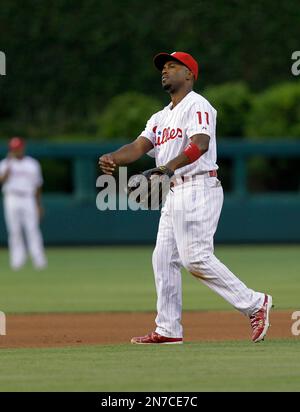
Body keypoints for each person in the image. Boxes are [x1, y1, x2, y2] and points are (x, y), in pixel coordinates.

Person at [99, 51, 273, 344]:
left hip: (198, 186)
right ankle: (168, 329)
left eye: (172, 66)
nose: (164, 71)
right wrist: (113, 157)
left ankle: (256, 303)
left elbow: (201, 144)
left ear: (189, 74)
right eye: (163, 68)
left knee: (195, 258)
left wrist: (168, 167)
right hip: (175, 191)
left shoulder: (198, 105)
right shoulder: (159, 117)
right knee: (163, 258)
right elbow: (139, 146)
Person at [0, 137, 47, 270]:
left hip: (28, 197)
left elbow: (38, 186)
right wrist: (8, 168)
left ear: (23, 148)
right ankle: (17, 261)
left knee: (32, 229)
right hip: (11, 197)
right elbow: (1, 180)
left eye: (18, 148)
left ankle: (39, 261)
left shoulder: (32, 164)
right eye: (14, 149)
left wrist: (38, 204)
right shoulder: (5, 164)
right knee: (14, 230)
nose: (16, 151)